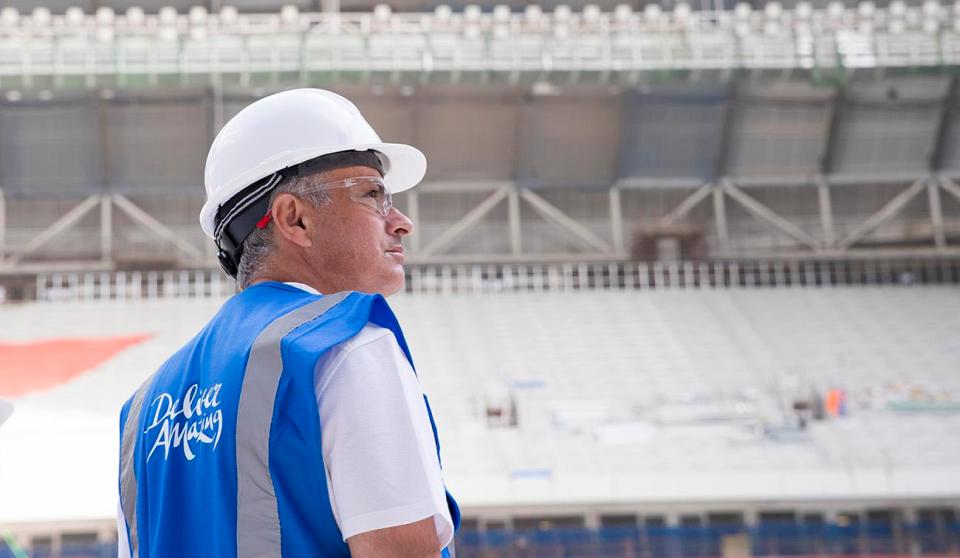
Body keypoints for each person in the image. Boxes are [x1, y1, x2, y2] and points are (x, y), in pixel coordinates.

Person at [116, 88, 460, 558]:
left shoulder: (142, 408)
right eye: (372, 195)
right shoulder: (346, 344)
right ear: (294, 219)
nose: (400, 222)